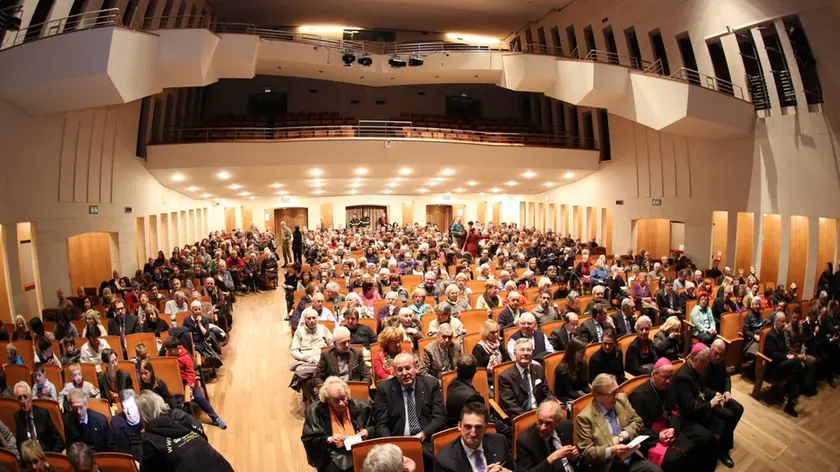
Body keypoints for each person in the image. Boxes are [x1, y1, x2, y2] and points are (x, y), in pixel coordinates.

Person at [629, 358, 716, 472]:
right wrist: (658, 436)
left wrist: (673, 428)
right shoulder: (638, 395)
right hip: (650, 436)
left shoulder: (669, 386)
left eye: (670, 377)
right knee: (674, 458)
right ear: (654, 374)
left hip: (668, 428)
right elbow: (637, 427)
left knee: (691, 447)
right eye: (665, 377)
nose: (668, 381)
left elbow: (675, 410)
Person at [373, 352, 446, 471]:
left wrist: (423, 434)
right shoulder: (384, 389)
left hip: (424, 439)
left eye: (408, 368)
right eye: (400, 370)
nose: (405, 373)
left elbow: (440, 417)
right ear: (394, 373)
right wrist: (392, 446)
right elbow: (381, 424)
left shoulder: (430, 385)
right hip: (396, 441)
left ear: (416, 368)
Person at [575, 373, 662, 472]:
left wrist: (621, 436)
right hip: (608, 465)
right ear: (597, 395)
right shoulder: (585, 418)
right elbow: (587, 453)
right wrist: (611, 450)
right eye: (612, 393)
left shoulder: (621, 399)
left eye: (617, 391)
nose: (616, 396)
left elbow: (638, 422)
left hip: (630, 458)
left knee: (656, 470)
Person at [136, 390, 233, 472]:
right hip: (221, 464)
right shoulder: (180, 414)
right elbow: (202, 435)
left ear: (143, 416)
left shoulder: (149, 440)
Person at [672, 344, 735, 467]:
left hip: (701, 408)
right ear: (695, 360)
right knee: (711, 433)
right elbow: (689, 406)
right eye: (705, 361)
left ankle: (720, 452)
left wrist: (716, 395)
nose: (707, 364)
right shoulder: (683, 377)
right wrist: (710, 404)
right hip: (688, 416)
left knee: (725, 419)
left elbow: (703, 389)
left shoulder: (697, 369)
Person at [302, 376, 374, 472]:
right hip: (331, 454)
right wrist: (329, 439)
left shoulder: (362, 406)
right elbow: (309, 439)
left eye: (343, 398)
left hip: (359, 450)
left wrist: (367, 431)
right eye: (336, 400)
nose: (341, 403)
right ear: (328, 400)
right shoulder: (314, 411)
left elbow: (377, 426)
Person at [163, 337, 227, 429]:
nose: (169, 352)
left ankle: (215, 418)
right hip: (174, 381)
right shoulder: (168, 354)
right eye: (168, 350)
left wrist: (190, 387)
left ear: (177, 348)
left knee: (200, 398)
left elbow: (191, 374)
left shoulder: (185, 357)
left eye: (171, 351)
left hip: (186, 382)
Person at [433, 401, 513, 472]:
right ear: (459, 426)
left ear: (486, 428)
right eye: (468, 427)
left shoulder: (500, 442)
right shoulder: (444, 461)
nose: (473, 433)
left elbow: (513, 468)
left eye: (478, 427)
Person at [515, 399, 585, 472]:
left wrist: (575, 458)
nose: (542, 427)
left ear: (557, 422)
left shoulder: (566, 427)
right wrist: (551, 458)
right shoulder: (525, 441)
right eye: (540, 421)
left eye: (548, 423)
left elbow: (577, 462)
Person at [702, 339, 743, 465]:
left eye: (720, 354)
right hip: (709, 399)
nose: (717, 357)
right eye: (715, 353)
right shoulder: (704, 364)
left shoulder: (720, 362)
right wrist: (716, 395)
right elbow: (702, 387)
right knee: (729, 415)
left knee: (738, 409)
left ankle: (723, 436)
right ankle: (723, 450)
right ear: (710, 350)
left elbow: (726, 377)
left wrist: (727, 391)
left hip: (721, 396)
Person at [498, 338, 555, 417]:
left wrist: (554, 406)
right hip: (520, 417)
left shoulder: (538, 369)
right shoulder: (505, 377)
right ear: (515, 353)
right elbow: (510, 405)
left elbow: (547, 393)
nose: (525, 353)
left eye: (528, 350)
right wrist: (530, 418)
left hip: (541, 413)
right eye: (522, 350)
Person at [762, 313, 803, 417]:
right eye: (782, 321)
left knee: (794, 372)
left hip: (782, 365)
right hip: (773, 368)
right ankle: (794, 395)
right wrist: (787, 357)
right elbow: (772, 354)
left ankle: (789, 404)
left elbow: (784, 349)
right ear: (776, 321)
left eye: (785, 321)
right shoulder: (771, 335)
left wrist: (788, 355)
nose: (784, 324)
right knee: (797, 362)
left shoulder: (781, 333)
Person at [291, 307, 334, 402]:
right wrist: (306, 358)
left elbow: (332, 344)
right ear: (305, 320)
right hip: (307, 361)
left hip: (322, 359)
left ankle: (325, 397)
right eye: (309, 318)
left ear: (317, 319)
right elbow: (293, 350)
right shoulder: (299, 332)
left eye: (314, 318)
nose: (311, 321)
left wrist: (325, 355)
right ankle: (312, 400)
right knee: (301, 375)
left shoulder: (323, 328)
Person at [13, 381, 65, 452]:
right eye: (19, 398)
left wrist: (51, 457)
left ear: (30, 397)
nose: (23, 401)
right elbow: (19, 443)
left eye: (25, 397)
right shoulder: (18, 416)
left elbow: (59, 440)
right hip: (29, 456)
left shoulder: (43, 413)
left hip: (45, 453)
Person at [63, 388, 112, 452]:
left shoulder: (101, 420)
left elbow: (107, 446)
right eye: (74, 408)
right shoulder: (67, 420)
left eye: (81, 407)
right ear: (70, 407)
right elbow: (69, 445)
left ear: (86, 405)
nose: (78, 411)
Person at [785, 308, 819, 395]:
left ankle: (807, 386)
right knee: (801, 365)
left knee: (813, 361)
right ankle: (795, 391)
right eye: (794, 317)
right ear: (791, 316)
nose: (795, 320)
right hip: (792, 355)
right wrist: (798, 355)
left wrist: (803, 352)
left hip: (800, 353)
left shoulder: (800, 326)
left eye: (797, 318)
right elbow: (788, 347)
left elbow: (802, 342)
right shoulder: (787, 329)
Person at [444, 354, 485, 427]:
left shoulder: (452, 383)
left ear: (456, 370)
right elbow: (480, 420)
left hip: (451, 427)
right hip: (464, 430)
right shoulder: (473, 397)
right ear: (475, 371)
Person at [109, 389, 144, 461]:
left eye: (132, 407)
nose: (129, 412)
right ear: (122, 408)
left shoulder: (146, 417)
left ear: (137, 405)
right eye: (125, 408)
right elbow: (113, 448)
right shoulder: (116, 422)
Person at [553, 338, 592, 403]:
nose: (584, 355)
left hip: (578, 394)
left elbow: (585, 385)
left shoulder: (583, 363)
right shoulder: (562, 369)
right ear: (573, 352)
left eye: (584, 352)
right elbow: (568, 391)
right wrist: (584, 399)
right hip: (566, 398)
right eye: (581, 352)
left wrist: (591, 395)